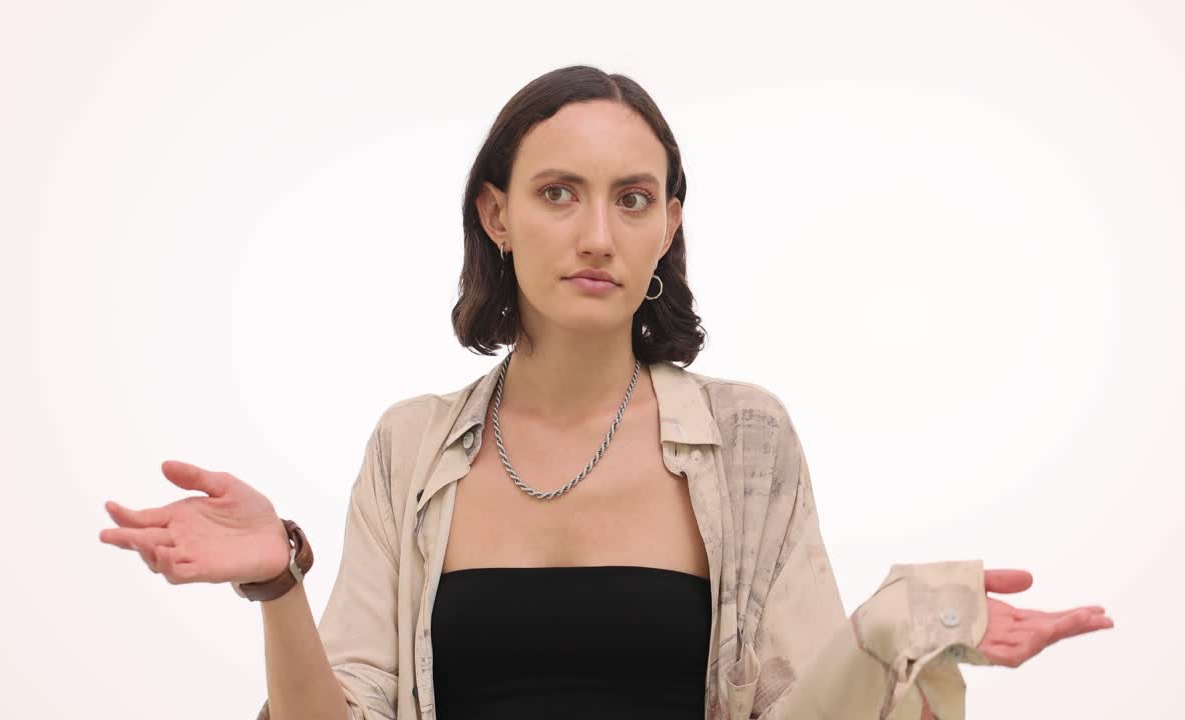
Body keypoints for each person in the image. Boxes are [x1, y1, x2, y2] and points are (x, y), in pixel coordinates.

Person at [98, 65, 1114, 720]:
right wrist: (278, 584)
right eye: (558, 194)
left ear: (668, 223)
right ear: (496, 214)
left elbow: (798, 711)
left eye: (632, 200)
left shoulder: (745, 439)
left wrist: (895, 629)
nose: (596, 236)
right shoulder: (411, 448)